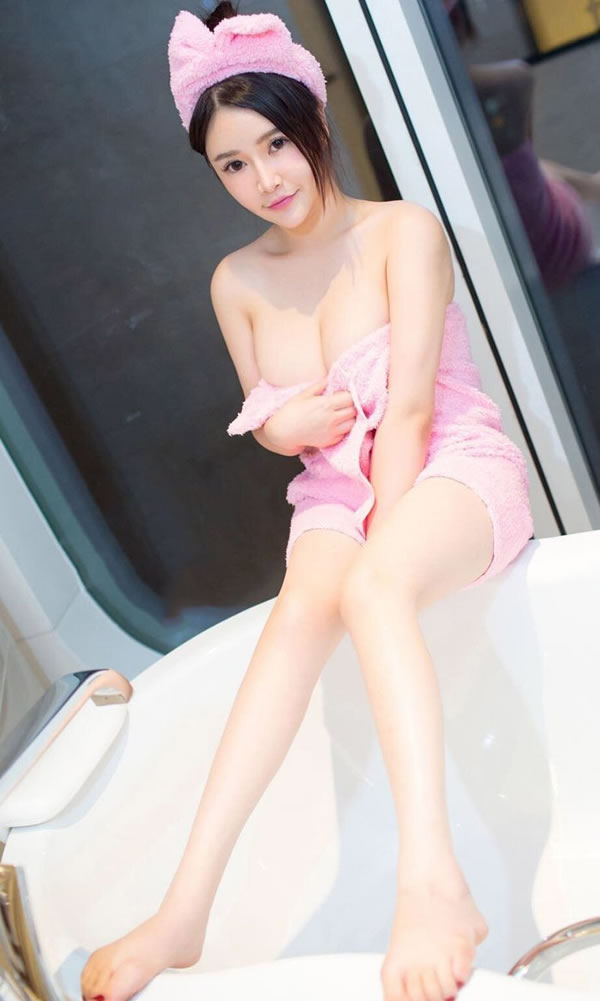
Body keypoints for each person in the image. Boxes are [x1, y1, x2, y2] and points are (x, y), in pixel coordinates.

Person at [80, 5, 534, 1001]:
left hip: (448, 462)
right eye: (234, 165)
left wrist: (384, 544)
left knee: (370, 590)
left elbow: (409, 406)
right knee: (290, 627)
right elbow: (266, 414)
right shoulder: (237, 281)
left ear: (313, 119)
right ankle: (184, 909)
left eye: (276, 144)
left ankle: (434, 881)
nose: (265, 179)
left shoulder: (402, 231)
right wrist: (282, 427)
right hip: (330, 490)